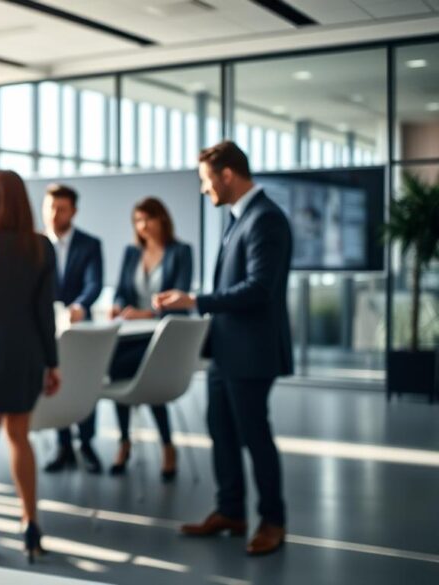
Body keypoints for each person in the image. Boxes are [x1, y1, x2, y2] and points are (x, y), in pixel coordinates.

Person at [155, 140, 292, 557]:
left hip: (252, 353)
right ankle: (230, 511)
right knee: (223, 432)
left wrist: (195, 300)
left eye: (206, 181)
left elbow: (258, 289)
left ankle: (273, 521)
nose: (204, 189)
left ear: (226, 175)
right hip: (227, 351)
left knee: (254, 436)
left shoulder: (265, 219)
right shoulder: (241, 218)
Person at [0, 170, 60, 564]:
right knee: (19, 436)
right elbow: (44, 312)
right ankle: (30, 521)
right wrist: (52, 363)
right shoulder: (40, 247)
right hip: (26, 349)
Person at [107, 197, 193, 480]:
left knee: (150, 377)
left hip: (163, 335)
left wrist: (146, 314)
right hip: (131, 334)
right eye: (138, 221)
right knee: (115, 366)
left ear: (162, 219)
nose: (143, 226)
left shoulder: (181, 252)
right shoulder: (132, 253)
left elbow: (179, 297)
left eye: (148, 219)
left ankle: (167, 446)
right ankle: (124, 441)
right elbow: (121, 290)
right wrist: (119, 306)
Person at [41, 183, 104, 474]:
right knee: (57, 382)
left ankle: (86, 443)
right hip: (48, 329)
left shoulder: (90, 244)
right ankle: (63, 444)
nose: (54, 214)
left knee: (83, 381)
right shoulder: (35, 244)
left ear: (73, 212)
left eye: (61, 209)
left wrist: (79, 305)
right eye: (49, 207)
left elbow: (94, 284)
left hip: (80, 327)